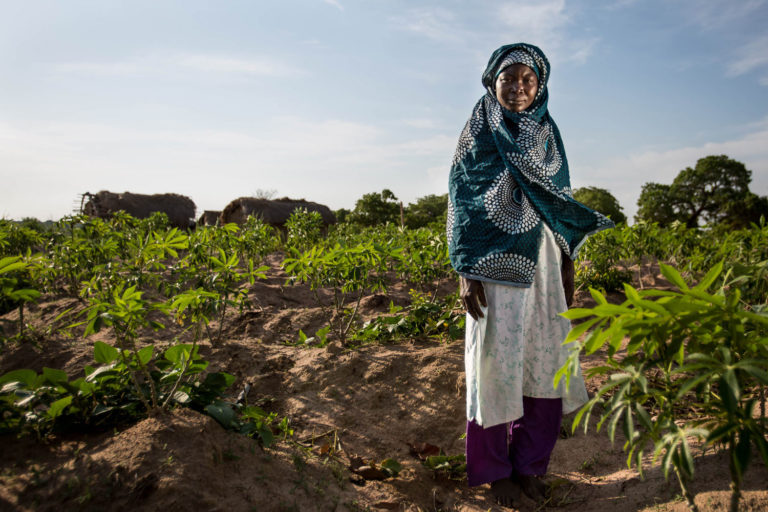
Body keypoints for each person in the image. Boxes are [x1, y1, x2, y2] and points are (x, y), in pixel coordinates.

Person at [447, 43, 614, 507]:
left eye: (527, 79)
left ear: (540, 87)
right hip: (491, 268)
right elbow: (462, 203)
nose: (518, 86)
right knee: (495, 368)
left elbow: (557, 202)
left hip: (542, 265)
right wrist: (466, 271)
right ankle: (495, 474)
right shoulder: (478, 133)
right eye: (508, 78)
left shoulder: (546, 134)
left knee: (546, 364)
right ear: (491, 81)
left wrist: (566, 260)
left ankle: (529, 467)